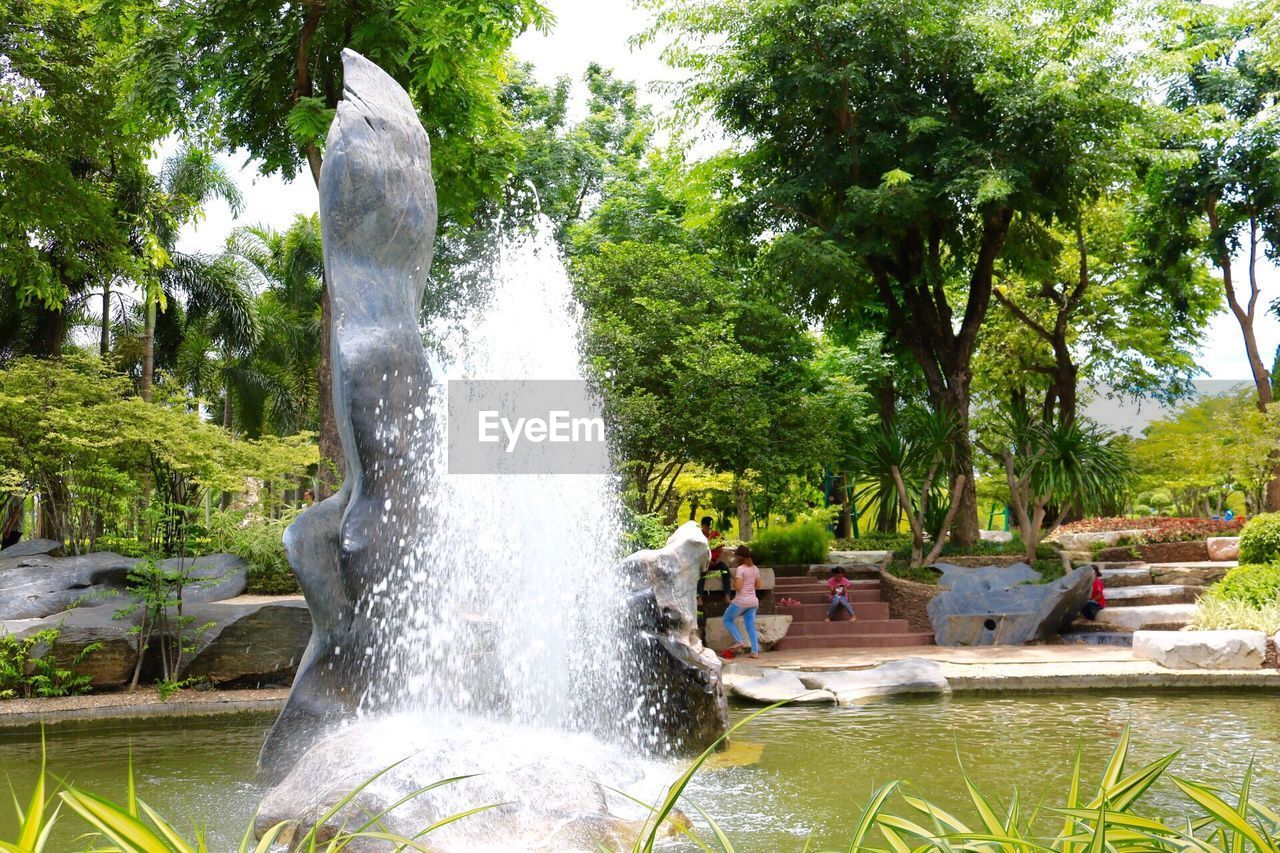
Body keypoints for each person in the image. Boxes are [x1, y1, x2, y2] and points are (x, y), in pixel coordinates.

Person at [722, 545, 761, 658]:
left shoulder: (741, 569)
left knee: (727, 619)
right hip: (753, 602)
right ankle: (755, 652)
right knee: (750, 626)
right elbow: (758, 585)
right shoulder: (755, 568)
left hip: (741, 601)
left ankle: (739, 641)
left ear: (740, 557)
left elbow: (738, 587)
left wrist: (734, 581)